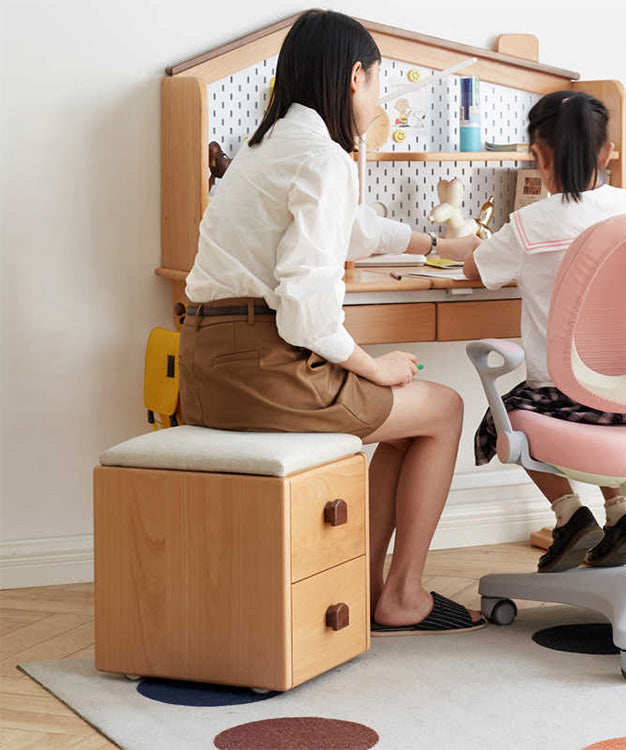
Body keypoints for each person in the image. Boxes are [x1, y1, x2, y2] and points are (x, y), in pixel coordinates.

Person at [179, 9, 483, 633]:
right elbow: (307, 310)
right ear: (354, 78)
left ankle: (365, 583)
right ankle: (403, 596)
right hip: (265, 370)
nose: (376, 100)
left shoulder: (265, 148)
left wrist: (434, 242)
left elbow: (355, 231)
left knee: (409, 423)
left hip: (209, 364)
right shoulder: (323, 157)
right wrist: (376, 366)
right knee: (446, 408)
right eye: (378, 82)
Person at [446, 90, 626, 573]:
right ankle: (622, 513)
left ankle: (569, 514)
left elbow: (476, 271)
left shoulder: (529, 224)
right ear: (607, 154)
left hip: (567, 402)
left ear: (538, 157)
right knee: (598, 394)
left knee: (511, 413)